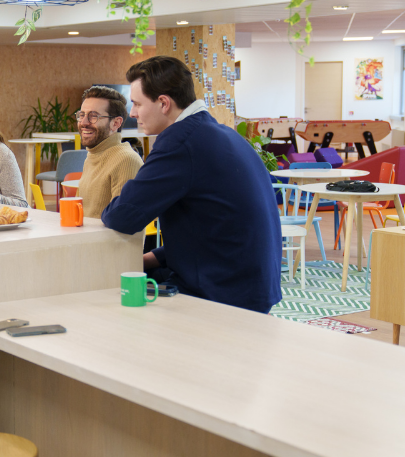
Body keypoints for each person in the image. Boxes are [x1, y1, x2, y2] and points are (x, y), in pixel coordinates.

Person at [101, 56, 282, 314]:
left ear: (164, 103)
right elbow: (212, 226)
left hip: (223, 293)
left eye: (137, 103)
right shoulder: (222, 133)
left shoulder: (179, 142)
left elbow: (122, 215)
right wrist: (152, 258)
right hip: (252, 284)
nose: (132, 113)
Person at [75, 85, 143, 219]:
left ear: (116, 123)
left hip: (106, 240)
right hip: (84, 239)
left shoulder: (126, 160)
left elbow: (122, 221)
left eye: (93, 116)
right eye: (81, 115)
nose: (83, 122)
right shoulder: (92, 155)